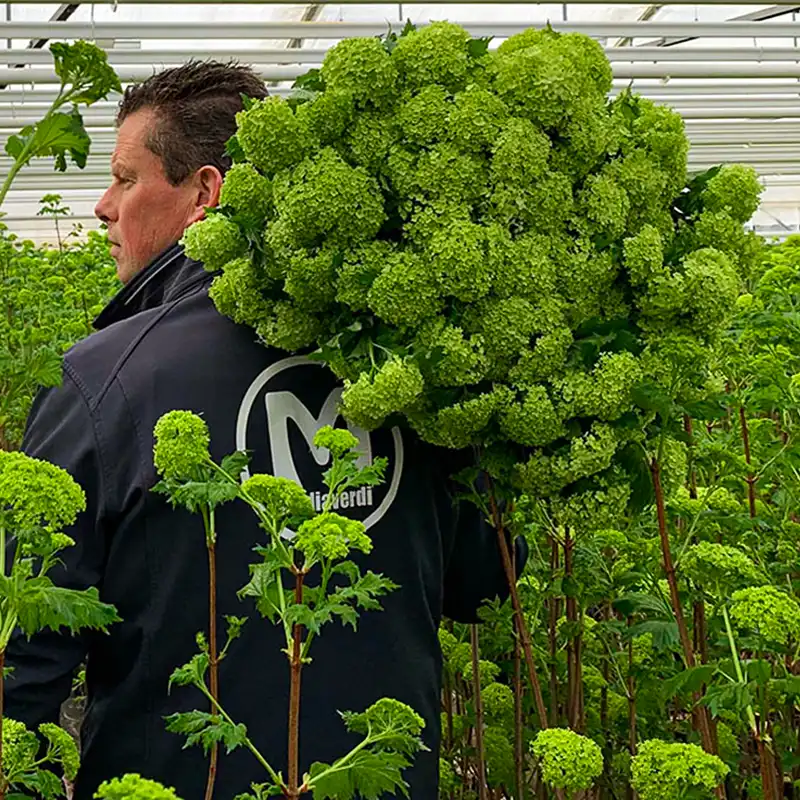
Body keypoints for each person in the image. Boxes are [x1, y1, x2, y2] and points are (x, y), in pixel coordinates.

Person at [6, 60, 523, 799]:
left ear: (205, 194)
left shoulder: (100, 381)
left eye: (125, 178)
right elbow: (485, 584)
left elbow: (20, 665)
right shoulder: (413, 370)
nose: (101, 206)